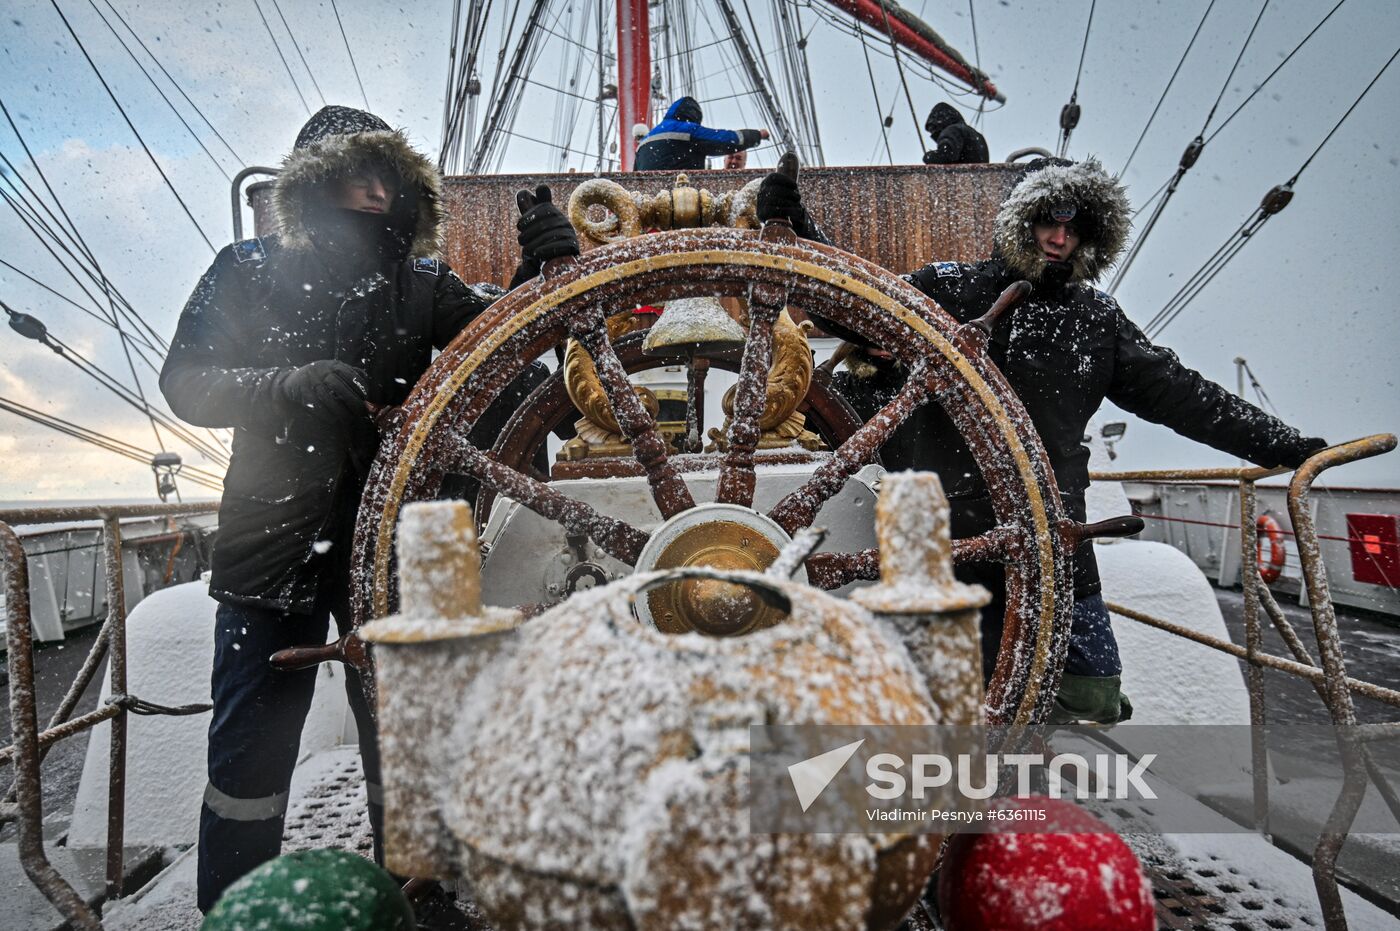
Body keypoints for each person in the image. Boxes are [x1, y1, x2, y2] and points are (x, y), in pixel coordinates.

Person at [160, 105, 579, 912]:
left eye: (388, 173)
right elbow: (186, 382)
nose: (376, 188)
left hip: (391, 545)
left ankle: (413, 897)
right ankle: (236, 909)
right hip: (270, 550)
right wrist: (285, 386)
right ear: (311, 183)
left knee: (403, 740)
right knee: (249, 753)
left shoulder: (425, 282)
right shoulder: (246, 270)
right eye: (356, 172)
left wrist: (544, 276)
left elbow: (500, 355)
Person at [757, 157, 1325, 724]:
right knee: (952, 699)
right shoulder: (949, 289)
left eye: (1074, 228)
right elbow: (855, 307)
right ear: (1019, 221)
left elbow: (1183, 395)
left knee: (1093, 694)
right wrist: (799, 226)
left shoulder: (1097, 319)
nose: (1059, 239)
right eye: (1047, 222)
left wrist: (1285, 445)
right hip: (946, 540)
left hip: (1055, 537)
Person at [634, 96, 768, 171]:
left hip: (649, 201)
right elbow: (725, 139)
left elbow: (635, 175)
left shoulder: (646, 139)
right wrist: (756, 135)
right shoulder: (689, 130)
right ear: (694, 116)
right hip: (680, 198)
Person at [922, 102, 989, 165]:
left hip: (962, 173)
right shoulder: (978, 136)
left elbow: (945, 155)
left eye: (933, 128)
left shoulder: (952, 130)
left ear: (939, 122)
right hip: (979, 173)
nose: (932, 133)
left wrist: (929, 157)